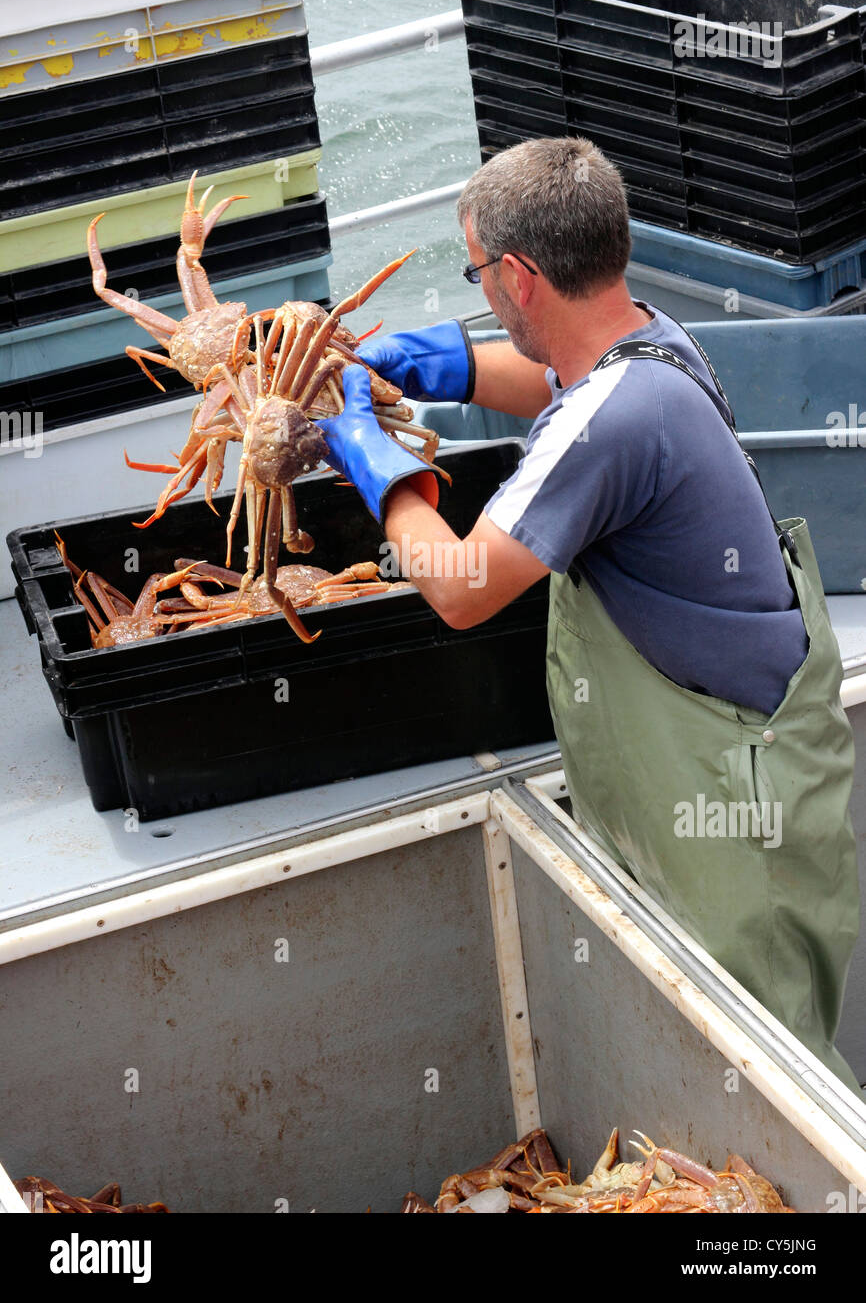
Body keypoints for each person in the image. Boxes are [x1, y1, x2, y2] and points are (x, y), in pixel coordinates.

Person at [319, 136, 861, 1094]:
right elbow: (558, 386)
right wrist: (448, 366)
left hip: (735, 806)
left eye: (479, 274)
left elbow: (457, 585)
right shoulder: (650, 338)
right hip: (739, 752)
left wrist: (369, 457)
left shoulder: (609, 424)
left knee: (773, 1070)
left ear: (520, 277)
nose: (481, 291)